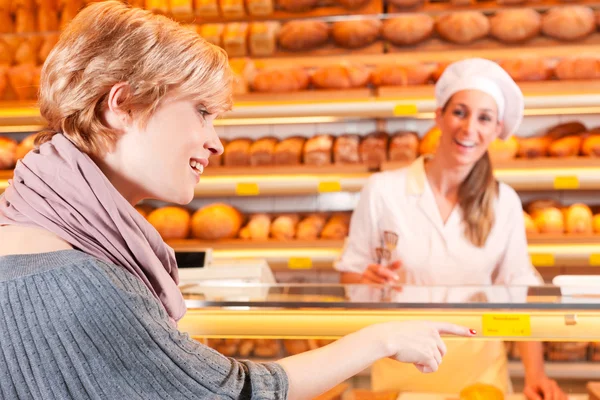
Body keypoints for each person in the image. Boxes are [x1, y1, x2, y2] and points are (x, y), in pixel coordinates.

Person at [0, 2, 475, 399]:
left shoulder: (25, 231)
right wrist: (382, 337)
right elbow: (229, 393)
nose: (216, 142)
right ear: (120, 106)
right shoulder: (87, 283)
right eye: (202, 112)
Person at [336, 58, 566, 400]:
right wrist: (368, 278)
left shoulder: (504, 202)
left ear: (496, 129)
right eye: (460, 112)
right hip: (402, 373)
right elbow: (351, 274)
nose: (469, 128)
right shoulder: (383, 190)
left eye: (484, 118)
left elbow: (519, 292)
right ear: (439, 116)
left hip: (480, 379)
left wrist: (537, 375)